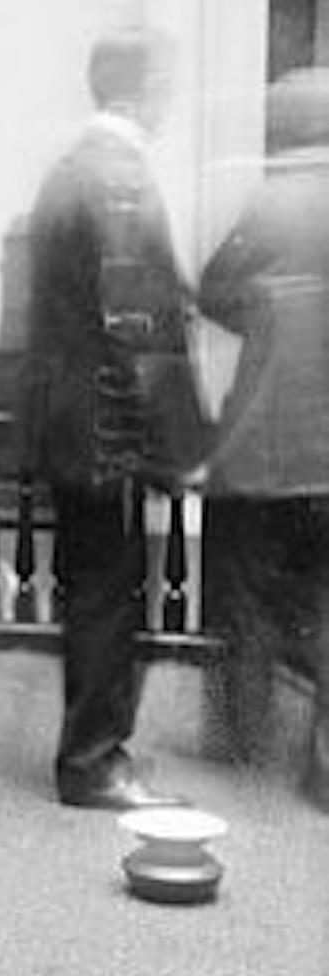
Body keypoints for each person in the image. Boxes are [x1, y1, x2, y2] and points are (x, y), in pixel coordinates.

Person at [16, 25, 207, 810]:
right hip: (107, 421)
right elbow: (138, 323)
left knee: (92, 582)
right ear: (136, 87)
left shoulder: (69, 170)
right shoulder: (119, 175)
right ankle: (94, 761)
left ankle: (96, 748)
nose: (169, 97)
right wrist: (179, 440)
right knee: (107, 586)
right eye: (162, 81)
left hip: (70, 414)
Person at [198, 68, 329, 809]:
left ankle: (244, 743)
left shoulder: (270, 203)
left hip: (266, 445)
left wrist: (263, 318)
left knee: (243, 589)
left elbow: (212, 285)